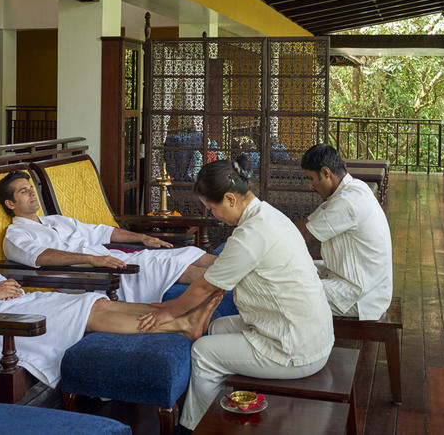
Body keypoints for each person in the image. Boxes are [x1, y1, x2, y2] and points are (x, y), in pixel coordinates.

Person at [0, 186, 220, 389]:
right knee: (89, 308)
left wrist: (2, 288)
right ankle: (179, 323)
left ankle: (182, 320)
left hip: (12, 303)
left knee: (94, 302)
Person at [137, 156, 334, 431]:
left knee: (204, 352)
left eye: (212, 208)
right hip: (307, 330)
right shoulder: (268, 215)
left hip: (296, 346)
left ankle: (194, 428)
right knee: (217, 329)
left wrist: (168, 311)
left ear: (230, 199)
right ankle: (226, 410)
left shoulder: (251, 233)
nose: (212, 215)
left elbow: (207, 285)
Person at [0, 171, 218, 304]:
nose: (32, 193)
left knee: (189, 253)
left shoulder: (55, 221)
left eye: (31, 188)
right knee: (171, 265)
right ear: (10, 204)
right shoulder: (15, 235)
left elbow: (102, 231)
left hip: (108, 259)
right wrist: (92, 260)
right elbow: (42, 257)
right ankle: (234, 287)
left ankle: (246, 273)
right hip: (88, 274)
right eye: (23, 191)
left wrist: (141, 238)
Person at [297, 143, 393, 320]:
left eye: (311, 179)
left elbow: (300, 235)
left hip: (361, 296)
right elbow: (306, 224)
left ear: (326, 173)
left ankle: (294, 346)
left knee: (283, 290)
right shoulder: (353, 189)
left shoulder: (347, 201)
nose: (310, 186)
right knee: (296, 269)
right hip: (360, 280)